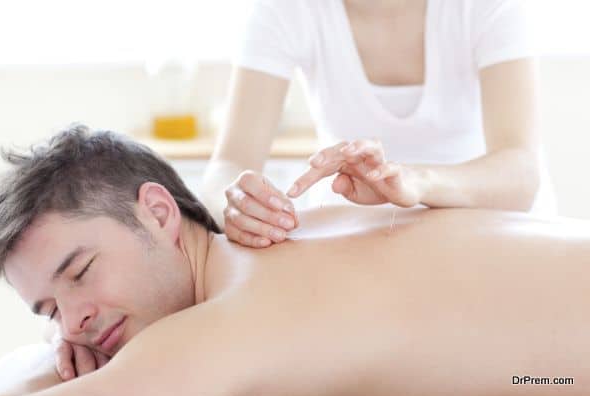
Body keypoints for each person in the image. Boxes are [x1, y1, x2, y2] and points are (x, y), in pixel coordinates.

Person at [0, 126, 588, 396]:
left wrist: (52, 366)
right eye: (49, 310)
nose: (73, 324)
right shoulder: (312, 229)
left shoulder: (226, 325)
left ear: (158, 212)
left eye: (80, 273)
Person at [201, 0, 556, 250]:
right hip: (356, 243)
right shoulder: (284, 9)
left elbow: (521, 171)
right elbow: (227, 167)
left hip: (490, 234)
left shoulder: (489, 7)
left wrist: (416, 181)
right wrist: (238, 206)